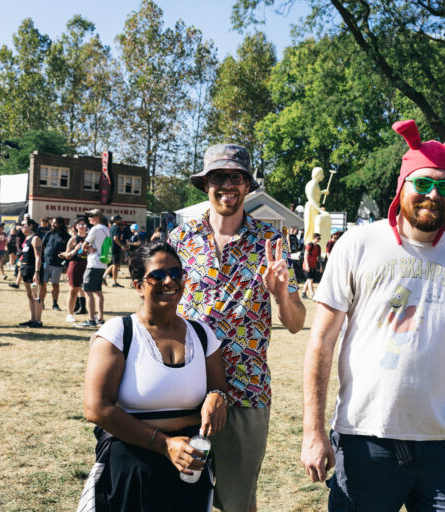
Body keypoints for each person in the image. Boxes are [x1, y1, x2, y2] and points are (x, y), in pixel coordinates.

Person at [301, 115, 445, 510]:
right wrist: (313, 430)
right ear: (402, 185)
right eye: (422, 183)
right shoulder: (358, 243)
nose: (432, 195)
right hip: (365, 439)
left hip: (444, 445)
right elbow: (321, 340)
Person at [168, 143, 306, 512]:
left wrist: (281, 295)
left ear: (247, 185)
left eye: (236, 177)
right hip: (184, 387)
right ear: (205, 184)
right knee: (179, 496)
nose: (227, 185)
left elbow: (296, 323)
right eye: (218, 177)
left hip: (247, 389)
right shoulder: (181, 240)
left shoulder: (270, 243)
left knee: (236, 502)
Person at [83, 242, 227, 510]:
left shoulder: (202, 334)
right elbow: (96, 409)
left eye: (176, 273)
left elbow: (218, 388)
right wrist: (163, 444)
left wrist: (217, 397)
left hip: (190, 460)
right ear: (138, 285)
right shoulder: (119, 333)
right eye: (157, 276)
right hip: (132, 459)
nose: (169, 281)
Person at [79, 209, 110, 328]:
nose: (89, 218)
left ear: (98, 217)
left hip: (93, 263)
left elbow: (84, 245)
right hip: (102, 263)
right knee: (98, 291)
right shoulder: (106, 229)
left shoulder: (95, 229)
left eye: (91, 216)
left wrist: (86, 248)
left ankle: (91, 319)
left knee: (87, 290)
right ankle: (100, 317)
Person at [60, 217, 89, 323]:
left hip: (88, 265)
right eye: (80, 224)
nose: (82, 226)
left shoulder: (90, 238)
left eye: (84, 224)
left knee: (88, 291)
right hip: (75, 265)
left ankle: (89, 314)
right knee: (74, 290)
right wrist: (75, 249)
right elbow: (67, 255)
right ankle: (70, 314)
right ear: (76, 227)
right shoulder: (73, 239)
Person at [18, 218, 44, 328]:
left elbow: (38, 257)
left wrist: (36, 272)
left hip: (33, 271)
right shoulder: (27, 239)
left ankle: (38, 321)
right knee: (29, 295)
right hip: (25, 270)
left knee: (35, 295)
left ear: (31, 226)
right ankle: (32, 318)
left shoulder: (35, 239)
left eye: (24, 225)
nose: (22, 227)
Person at [105, 215, 126, 287]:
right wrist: (122, 245)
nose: (121, 221)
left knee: (113, 264)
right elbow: (115, 238)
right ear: (117, 220)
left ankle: (103, 277)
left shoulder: (111, 228)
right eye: (120, 220)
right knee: (115, 265)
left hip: (110, 247)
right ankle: (114, 282)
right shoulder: (117, 228)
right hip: (115, 248)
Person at [302, 233, 322, 299]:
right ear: (314, 238)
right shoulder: (310, 245)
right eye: (318, 238)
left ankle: (304, 294)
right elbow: (305, 255)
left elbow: (319, 257)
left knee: (309, 280)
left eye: (320, 238)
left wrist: (321, 266)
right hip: (307, 265)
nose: (319, 240)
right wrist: (307, 265)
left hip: (313, 265)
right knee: (310, 280)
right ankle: (313, 295)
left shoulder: (318, 247)